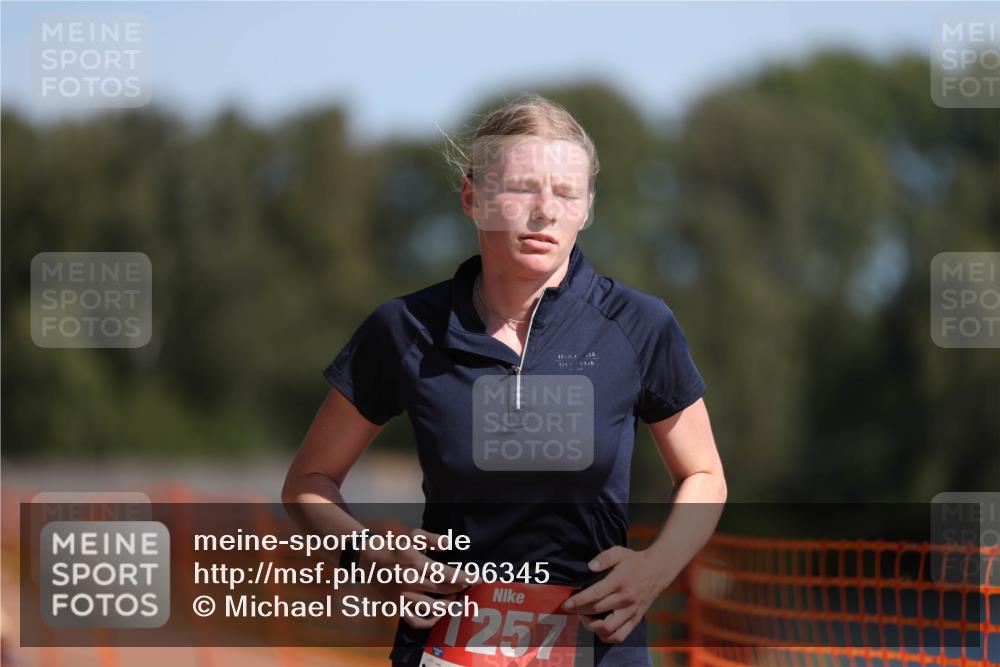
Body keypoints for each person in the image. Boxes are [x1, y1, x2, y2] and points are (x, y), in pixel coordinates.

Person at [283, 93, 727, 667]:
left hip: (599, 648)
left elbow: (704, 473)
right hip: (445, 646)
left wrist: (654, 568)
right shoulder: (405, 328)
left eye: (567, 193)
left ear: (587, 207)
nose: (545, 211)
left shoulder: (638, 325)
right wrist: (369, 554)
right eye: (522, 189)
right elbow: (307, 483)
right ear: (473, 196)